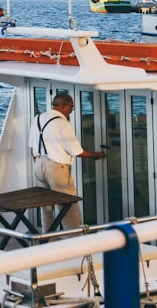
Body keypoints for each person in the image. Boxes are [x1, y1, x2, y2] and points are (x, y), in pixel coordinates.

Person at [29, 93, 104, 229]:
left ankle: (49, 238)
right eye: (71, 108)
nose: (71, 111)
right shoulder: (62, 123)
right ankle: (74, 240)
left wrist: (39, 162)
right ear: (63, 106)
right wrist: (96, 155)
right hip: (56, 168)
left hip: (38, 165)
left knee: (46, 206)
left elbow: (32, 148)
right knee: (68, 206)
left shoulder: (37, 118)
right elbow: (77, 151)